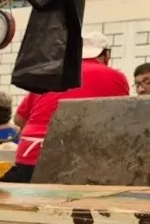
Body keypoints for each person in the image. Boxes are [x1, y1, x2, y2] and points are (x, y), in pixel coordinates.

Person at [9, 31, 130, 183]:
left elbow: (19, 119)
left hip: (30, 154)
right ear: (106, 55)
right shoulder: (116, 78)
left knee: (31, 205)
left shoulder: (51, 74)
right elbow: (123, 121)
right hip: (78, 159)